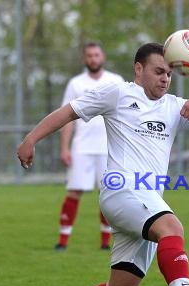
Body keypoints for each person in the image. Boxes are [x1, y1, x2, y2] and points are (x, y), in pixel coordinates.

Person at [17, 42, 189, 286]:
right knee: (172, 226)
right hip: (121, 191)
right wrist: (30, 139)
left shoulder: (174, 106)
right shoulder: (117, 94)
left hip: (146, 200)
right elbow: (68, 112)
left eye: (170, 73)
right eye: (159, 71)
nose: (165, 79)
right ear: (138, 69)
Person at [54, 42, 124, 251]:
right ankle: (63, 241)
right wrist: (64, 148)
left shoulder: (116, 81)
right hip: (82, 147)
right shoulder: (75, 83)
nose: (93, 58)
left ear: (103, 57)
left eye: (96, 55)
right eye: (89, 56)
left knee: (108, 193)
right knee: (74, 191)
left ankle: (105, 242)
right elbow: (67, 118)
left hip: (109, 148)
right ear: (84, 59)